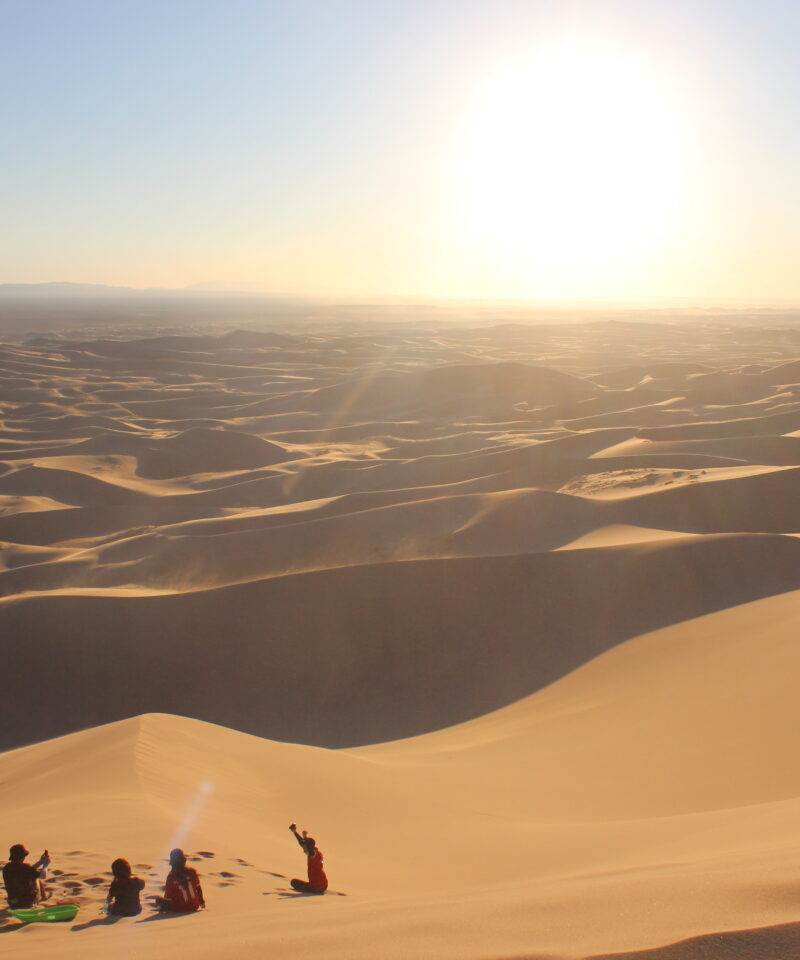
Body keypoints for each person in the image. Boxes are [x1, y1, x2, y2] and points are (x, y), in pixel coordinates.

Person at [154, 848, 205, 913]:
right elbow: (198, 887)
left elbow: (168, 896)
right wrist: (201, 901)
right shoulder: (192, 871)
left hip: (180, 908)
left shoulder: (171, 877)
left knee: (158, 900)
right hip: (195, 905)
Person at [3, 844, 50, 908]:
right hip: (24, 902)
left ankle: (44, 897)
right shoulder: (24, 867)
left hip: (12, 902)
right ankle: (44, 897)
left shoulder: (7, 868)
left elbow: (28, 871)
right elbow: (42, 876)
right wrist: (46, 865)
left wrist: (40, 862)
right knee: (36, 878)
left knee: (33, 876)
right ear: (22, 857)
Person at [289, 823, 328, 894]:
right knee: (296, 882)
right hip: (324, 885)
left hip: (316, 887)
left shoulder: (313, 855)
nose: (304, 848)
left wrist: (305, 837)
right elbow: (304, 845)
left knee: (294, 882)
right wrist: (295, 832)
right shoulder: (318, 853)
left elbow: (308, 849)